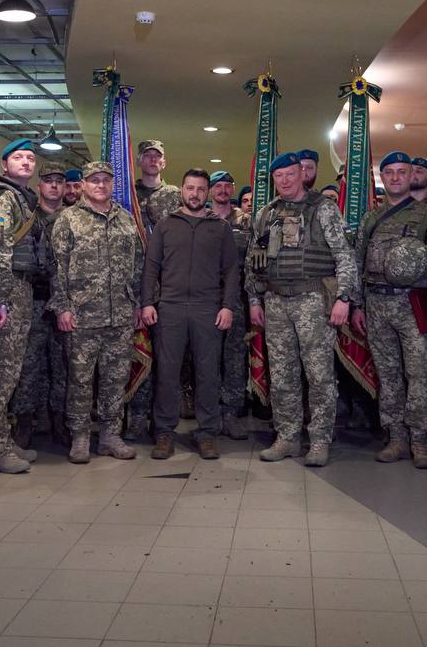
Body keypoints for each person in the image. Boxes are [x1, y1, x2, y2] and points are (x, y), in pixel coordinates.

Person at [247, 151, 360, 467]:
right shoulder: (265, 214)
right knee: (282, 374)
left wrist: (344, 298)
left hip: (313, 301)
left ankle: (320, 440)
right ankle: (287, 437)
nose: (284, 181)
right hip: (275, 302)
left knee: (319, 374)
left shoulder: (322, 209)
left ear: (302, 174)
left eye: (290, 174)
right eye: (278, 176)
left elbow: (344, 256)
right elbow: (252, 263)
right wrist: (255, 300)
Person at [142, 168, 240, 459]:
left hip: (207, 309)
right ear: (181, 191)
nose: (194, 194)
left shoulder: (219, 227)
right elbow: (151, 267)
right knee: (167, 374)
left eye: (200, 189)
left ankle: (207, 432)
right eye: (189, 188)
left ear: (207, 192)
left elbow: (232, 270)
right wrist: (148, 302)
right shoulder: (165, 225)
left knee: (208, 373)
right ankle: (164, 433)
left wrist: (227, 306)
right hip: (170, 308)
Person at [51, 161, 144, 463]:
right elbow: (56, 268)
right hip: (82, 316)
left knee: (115, 380)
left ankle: (109, 435)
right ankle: (79, 437)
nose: (101, 185)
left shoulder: (126, 219)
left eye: (106, 180)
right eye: (94, 180)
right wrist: (63, 307)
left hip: (120, 315)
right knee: (79, 380)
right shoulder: (68, 219)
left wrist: (137, 303)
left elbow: (138, 265)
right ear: (84, 185)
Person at [351, 151, 427, 468]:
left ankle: (421, 440)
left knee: (419, 374)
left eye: (403, 172)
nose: (397, 177)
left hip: (412, 303)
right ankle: (396, 437)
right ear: (382, 178)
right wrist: (357, 305)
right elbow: (357, 262)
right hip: (376, 304)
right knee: (388, 376)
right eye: (390, 173)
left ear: (411, 175)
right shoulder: (371, 218)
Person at [0, 139, 46, 474]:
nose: (25, 162)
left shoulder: (22, 198)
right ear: (4, 164)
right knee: (1, 375)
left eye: (30, 158)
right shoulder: (2, 198)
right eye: (18, 157)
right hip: (8, 292)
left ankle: (3, 439)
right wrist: (0, 299)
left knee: (12, 372)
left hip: (22, 289)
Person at [10, 160, 69, 446]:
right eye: (49, 180)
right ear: (40, 185)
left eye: (59, 180)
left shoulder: (73, 219)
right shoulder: (27, 216)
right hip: (32, 299)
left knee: (62, 365)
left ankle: (59, 420)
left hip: (64, 303)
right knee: (29, 364)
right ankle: (24, 421)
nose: (54, 185)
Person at [127, 139, 183, 439]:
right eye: (146, 155)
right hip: (135, 287)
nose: (152, 160)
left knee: (167, 358)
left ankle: (163, 420)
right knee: (138, 353)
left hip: (170, 287)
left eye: (157, 156)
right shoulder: (126, 194)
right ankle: (137, 416)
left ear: (164, 162)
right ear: (138, 161)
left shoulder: (175, 196)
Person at [209, 171, 252, 439]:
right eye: (218, 186)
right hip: (206, 298)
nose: (224, 190)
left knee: (235, 358)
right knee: (207, 357)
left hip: (237, 299)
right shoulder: (201, 219)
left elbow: (255, 261)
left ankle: (231, 413)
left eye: (228, 185)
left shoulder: (247, 221)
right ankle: (210, 412)